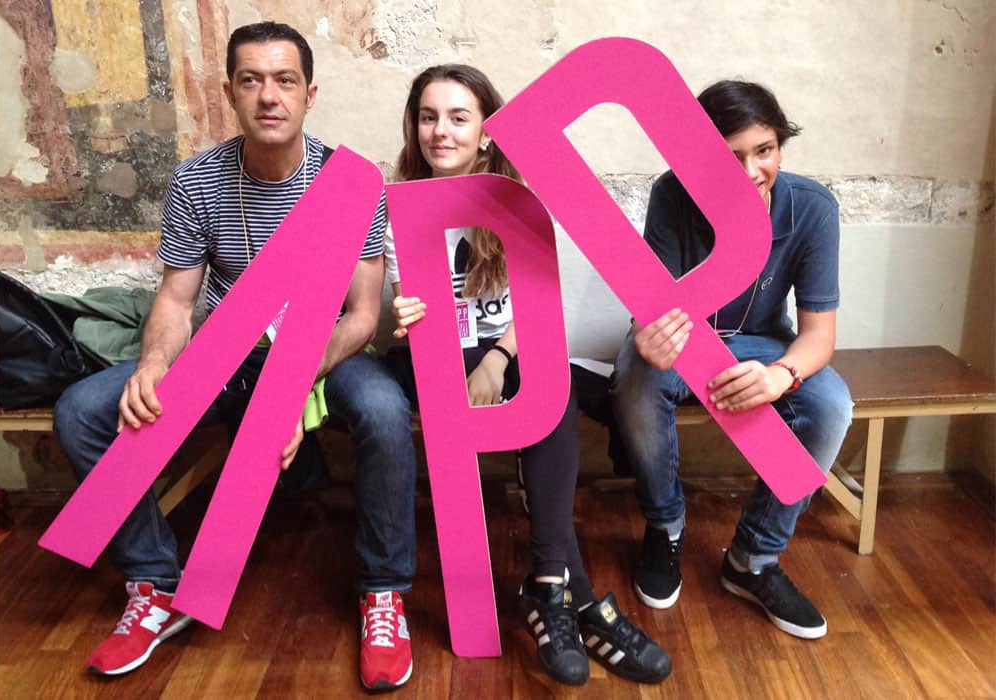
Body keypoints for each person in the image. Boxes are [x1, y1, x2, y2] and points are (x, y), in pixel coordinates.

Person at [53, 22, 418, 690]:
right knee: (82, 410)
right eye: (251, 80)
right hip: (227, 354)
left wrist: (291, 385)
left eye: (284, 81)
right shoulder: (197, 180)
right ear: (229, 92)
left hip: (323, 354)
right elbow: (175, 299)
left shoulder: (349, 181)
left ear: (310, 94)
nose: (268, 96)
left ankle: (383, 592)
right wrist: (154, 364)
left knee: (386, 411)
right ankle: (154, 584)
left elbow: (363, 316)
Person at [385, 64, 671, 687]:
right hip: (435, 358)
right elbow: (410, 309)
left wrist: (497, 359)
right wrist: (406, 315)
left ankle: (550, 583)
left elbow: (538, 313)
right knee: (545, 383)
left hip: (505, 354)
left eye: (458, 117)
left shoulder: (517, 205)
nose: (441, 131)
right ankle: (578, 601)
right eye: (428, 117)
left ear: (486, 131)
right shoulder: (395, 210)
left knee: (553, 385)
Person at [610, 80, 853, 639]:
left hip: (763, 343)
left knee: (832, 404)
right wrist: (644, 333)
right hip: (681, 335)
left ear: (780, 146)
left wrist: (781, 374)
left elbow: (819, 336)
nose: (748, 171)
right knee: (635, 377)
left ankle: (753, 559)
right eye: (728, 157)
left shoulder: (811, 208)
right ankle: (665, 526)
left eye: (763, 150)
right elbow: (653, 306)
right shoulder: (673, 194)